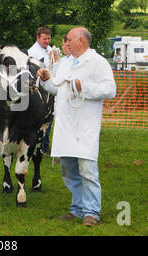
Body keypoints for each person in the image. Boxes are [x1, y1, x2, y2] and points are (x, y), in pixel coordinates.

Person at [37, 27, 116, 226]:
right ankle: (78, 208)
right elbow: (57, 88)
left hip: (84, 125)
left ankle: (91, 212)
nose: (67, 42)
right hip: (66, 125)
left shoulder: (98, 63)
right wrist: (46, 80)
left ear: (81, 41)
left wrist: (85, 88)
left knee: (87, 169)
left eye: (70, 39)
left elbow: (110, 90)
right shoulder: (64, 63)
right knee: (68, 169)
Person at [28, 27, 54, 153]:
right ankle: (41, 144)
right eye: (44, 38)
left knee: (50, 116)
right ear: (38, 38)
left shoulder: (51, 50)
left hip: (51, 85)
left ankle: (45, 143)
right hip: (39, 88)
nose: (47, 41)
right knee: (41, 116)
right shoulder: (32, 52)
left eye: (49, 38)